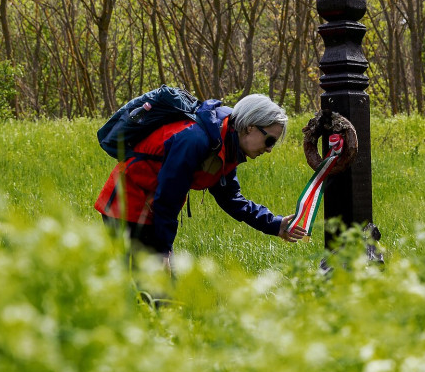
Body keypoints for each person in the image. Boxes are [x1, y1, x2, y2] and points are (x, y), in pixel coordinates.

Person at [94, 93, 306, 274]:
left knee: (160, 290)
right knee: (152, 291)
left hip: (153, 208)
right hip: (128, 203)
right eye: (270, 141)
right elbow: (168, 198)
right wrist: (163, 252)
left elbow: (231, 199)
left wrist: (275, 224)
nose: (269, 149)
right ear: (250, 127)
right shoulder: (196, 140)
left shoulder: (226, 143)